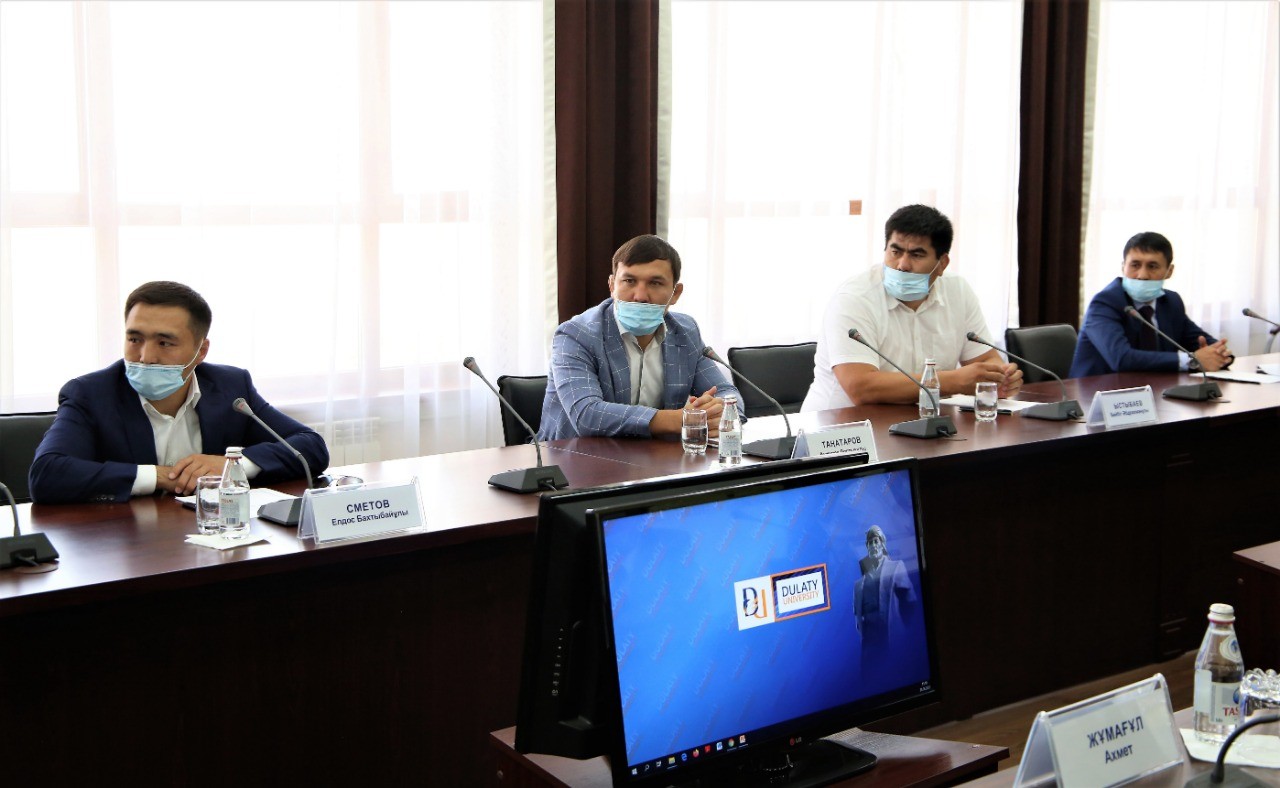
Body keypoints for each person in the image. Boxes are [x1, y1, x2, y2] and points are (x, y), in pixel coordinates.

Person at [29, 281, 329, 504]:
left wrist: (232, 465)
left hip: (213, 535)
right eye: (135, 339)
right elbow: (46, 474)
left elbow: (310, 447)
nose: (146, 356)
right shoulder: (91, 394)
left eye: (165, 343)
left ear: (201, 351)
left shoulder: (230, 386)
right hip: (126, 545)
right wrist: (160, 476)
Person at [802, 204, 1022, 411]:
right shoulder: (854, 299)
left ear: (942, 264)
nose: (903, 265)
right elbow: (861, 388)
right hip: (840, 429)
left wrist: (1001, 378)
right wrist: (953, 381)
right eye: (895, 252)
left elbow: (985, 361)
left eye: (916, 255)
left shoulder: (958, 291)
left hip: (917, 422)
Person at [538, 234, 742, 441]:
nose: (640, 296)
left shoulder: (685, 331)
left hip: (654, 456)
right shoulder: (575, 335)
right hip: (573, 456)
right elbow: (587, 416)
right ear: (612, 286)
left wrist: (719, 411)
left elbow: (727, 393)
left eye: (655, 283)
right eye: (629, 281)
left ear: (676, 293)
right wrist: (681, 419)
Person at [1069, 231, 1232, 377]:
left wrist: (1219, 354)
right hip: (1097, 394)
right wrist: (1192, 360)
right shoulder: (1105, 303)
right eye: (1135, 265)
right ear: (1123, 267)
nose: (1142, 275)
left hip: (1154, 391)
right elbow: (1121, 358)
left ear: (1169, 271)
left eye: (1152, 266)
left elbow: (1202, 341)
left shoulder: (1171, 302)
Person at [853, 525, 916, 667]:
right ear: (867, 546)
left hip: (893, 645)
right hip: (870, 653)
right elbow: (858, 621)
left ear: (882, 544)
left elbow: (910, 602)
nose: (873, 545)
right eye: (870, 542)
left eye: (876, 541)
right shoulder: (858, 586)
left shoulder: (896, 567)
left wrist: (902, 632)